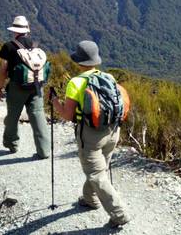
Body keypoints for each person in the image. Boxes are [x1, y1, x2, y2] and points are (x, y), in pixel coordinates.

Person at [51, 40, 130, 228]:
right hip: (113, 131)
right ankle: (89, 199)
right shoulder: (109, 77)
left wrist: (54, 100)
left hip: (90, 135)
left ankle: (120, 214)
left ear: (78, 62)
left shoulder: (76, 82)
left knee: (96, 174)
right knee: (98, 170)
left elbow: (68, 115)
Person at [0, 16, 50, 159]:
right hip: (37, 86)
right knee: (38, 116)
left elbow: (3, 70)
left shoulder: (8, 46)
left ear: (14, 30)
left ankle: (12, 144)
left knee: (13, 117)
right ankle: (44, 151)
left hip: (16, 87)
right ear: (27, 30)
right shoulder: (35, 45)